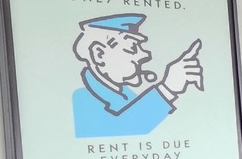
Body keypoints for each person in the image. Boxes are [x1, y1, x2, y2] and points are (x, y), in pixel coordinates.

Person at [70, 14, 203, 137]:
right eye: (133, 47)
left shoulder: (126, 94)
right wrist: (168, 88)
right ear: (99, 54)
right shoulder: (81, 97)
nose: (145, 55)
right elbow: (121, 129)